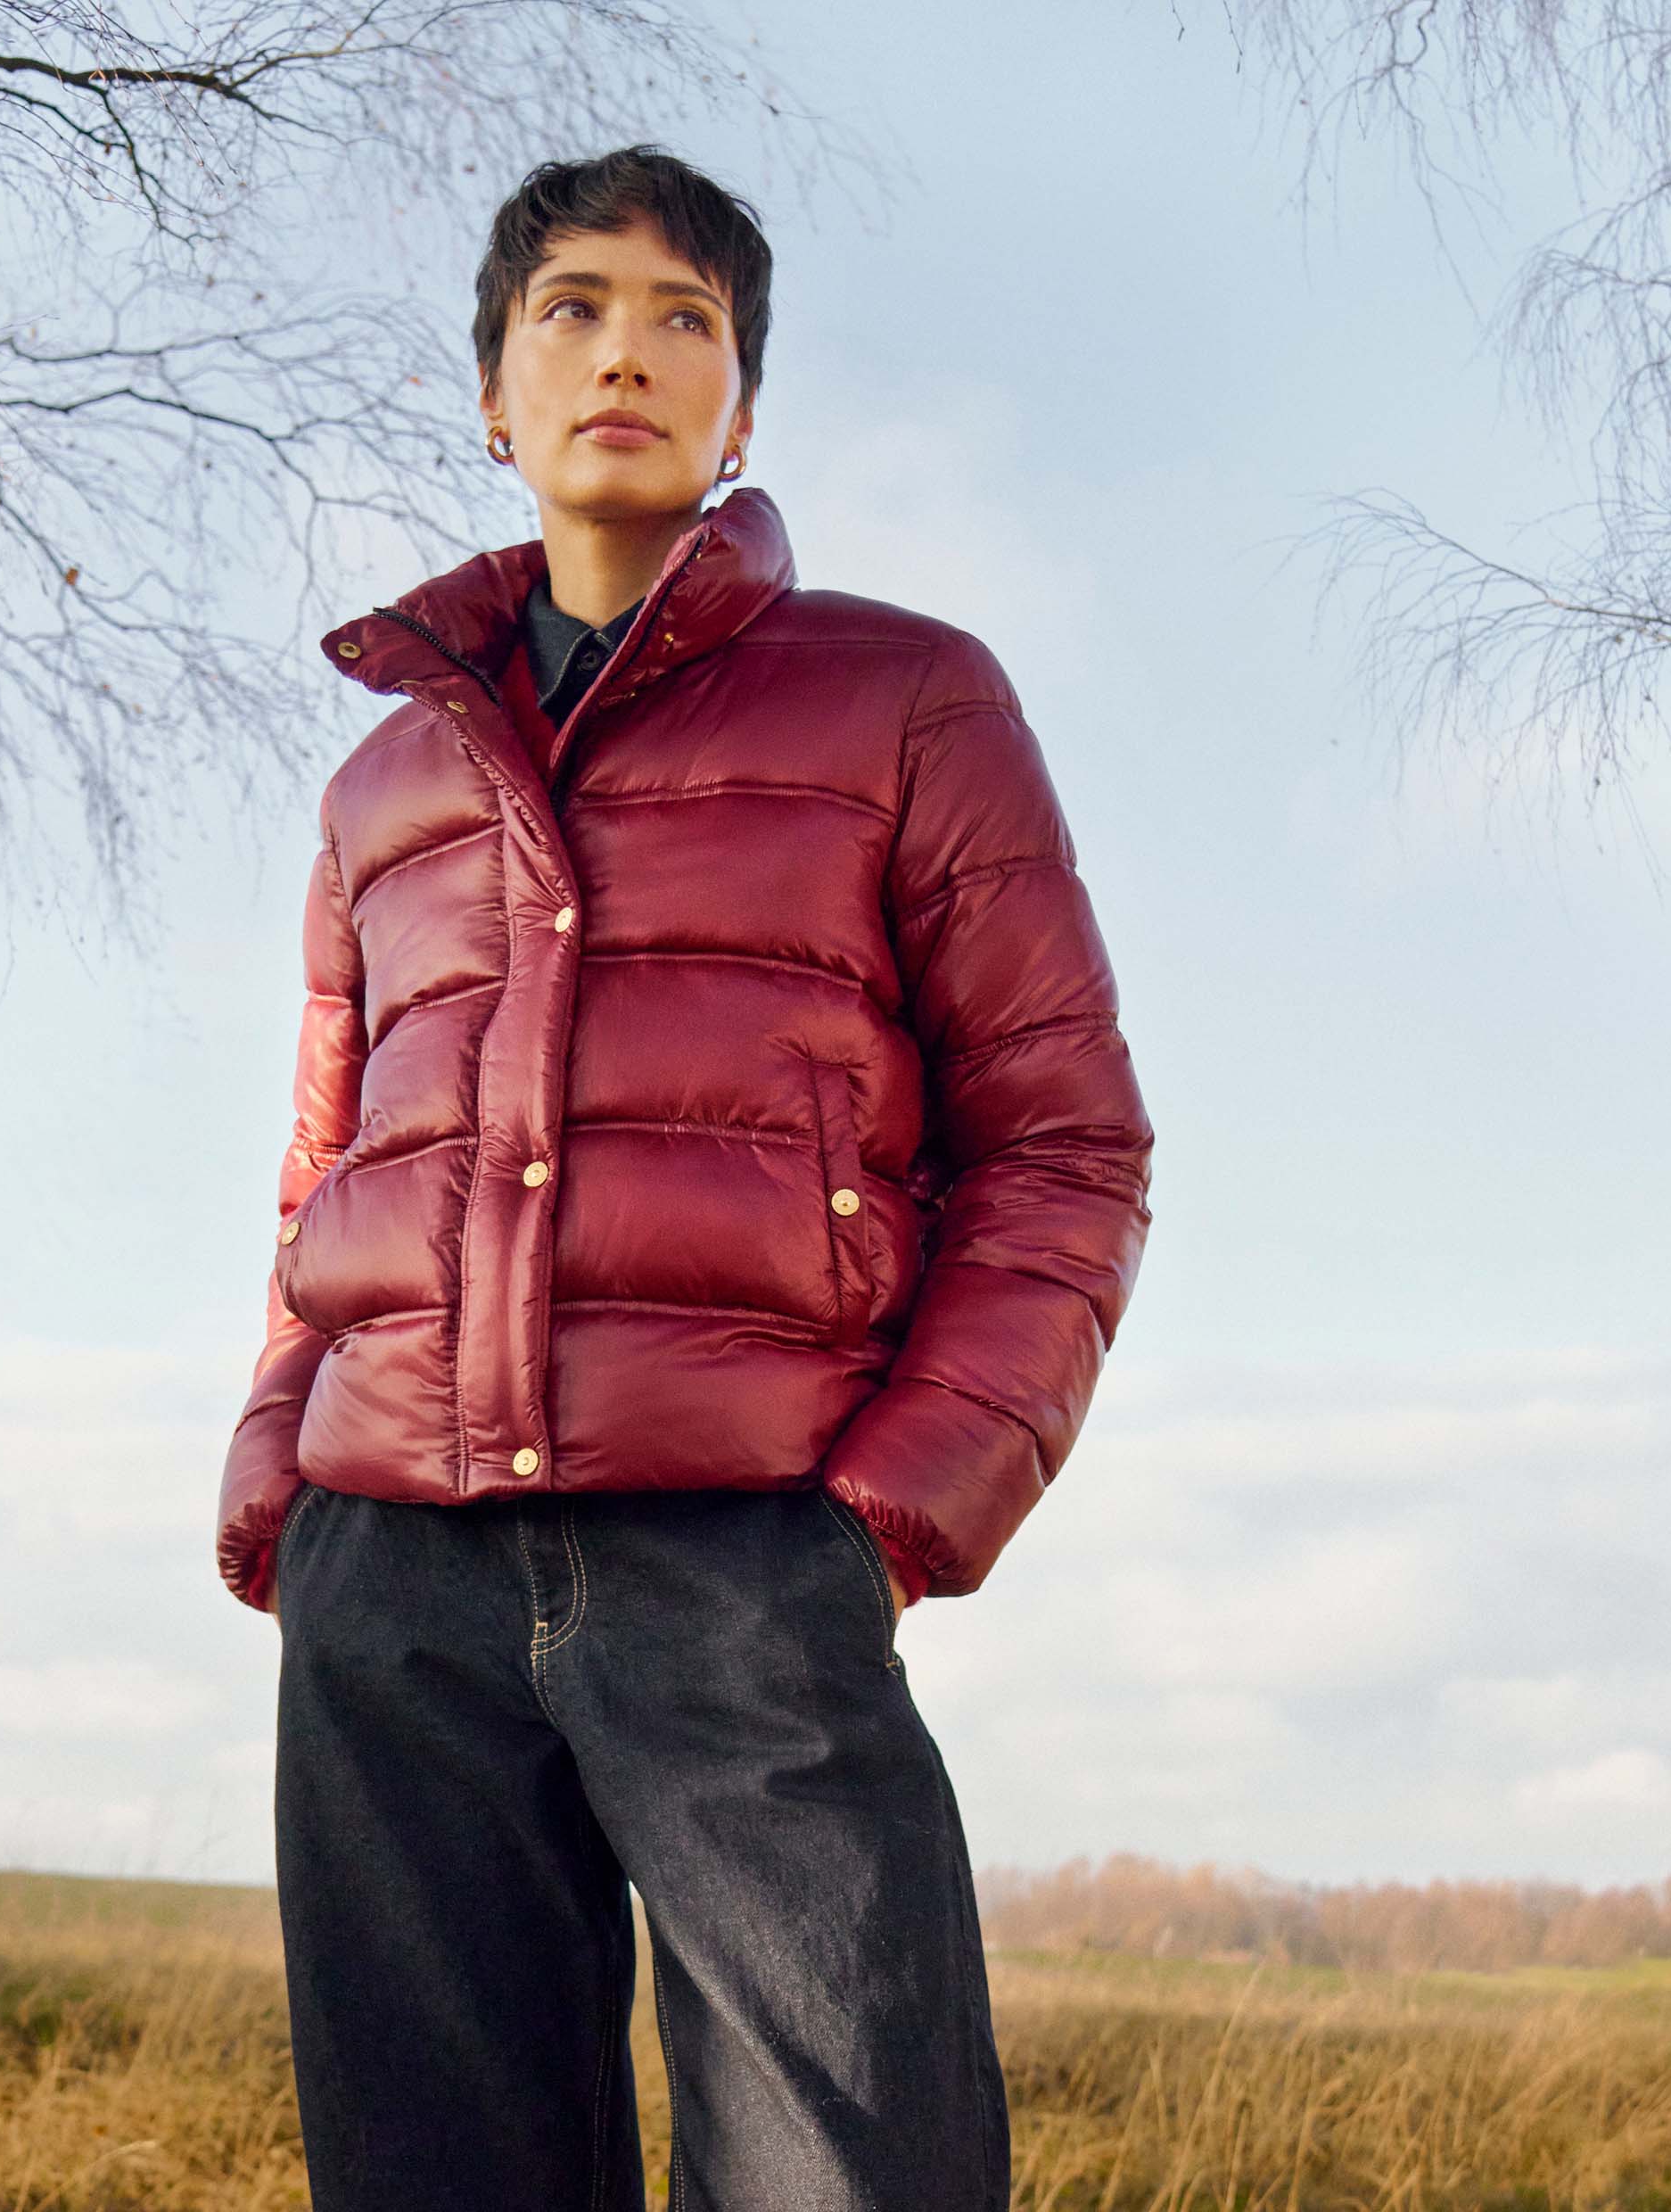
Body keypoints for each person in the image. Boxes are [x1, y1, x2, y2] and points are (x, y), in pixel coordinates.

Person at [215, 143, 1155, 2211]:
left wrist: (886, 1516)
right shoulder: (382, 781)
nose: (623, 354)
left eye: (682, 319)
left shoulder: (905, 696)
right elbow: (326, 1175)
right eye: (571, 310)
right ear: (493, 393)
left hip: (745, 1557)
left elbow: (1063, 1141)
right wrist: (282, 1484)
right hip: (392, 1586)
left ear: (741, 406)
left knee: (853, 2173)